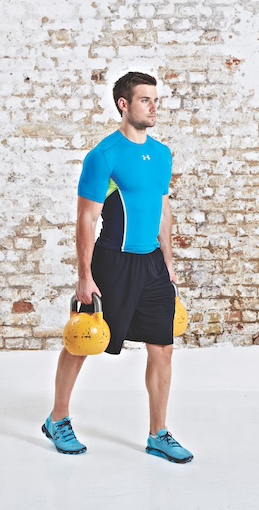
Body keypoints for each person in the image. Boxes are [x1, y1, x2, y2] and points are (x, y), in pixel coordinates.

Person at [41, 72, 193, 464]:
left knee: (164, 348)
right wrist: (84, 276)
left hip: (153, 266)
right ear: (124, 104)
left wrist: (169, 262)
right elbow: (86, 220)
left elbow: (163, 210)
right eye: (145, 100)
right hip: (113, 263)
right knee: (83, 342)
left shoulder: (162, 154)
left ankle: (158, 434)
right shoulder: (103, 156)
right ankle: (57, 419)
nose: (154, 106)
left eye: (155, 99)